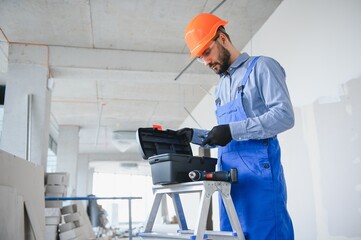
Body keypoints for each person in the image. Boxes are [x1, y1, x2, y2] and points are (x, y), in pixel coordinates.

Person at [177, 13, 295, 239]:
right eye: (200, 58)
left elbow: (284, 116)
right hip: (229, 183)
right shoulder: (222, 87)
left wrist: (232, 130)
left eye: (206, 52)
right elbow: (223, 137)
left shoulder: (262, 67)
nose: (206, 62)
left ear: (222, 38)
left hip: (260, 181)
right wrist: (194, 135)